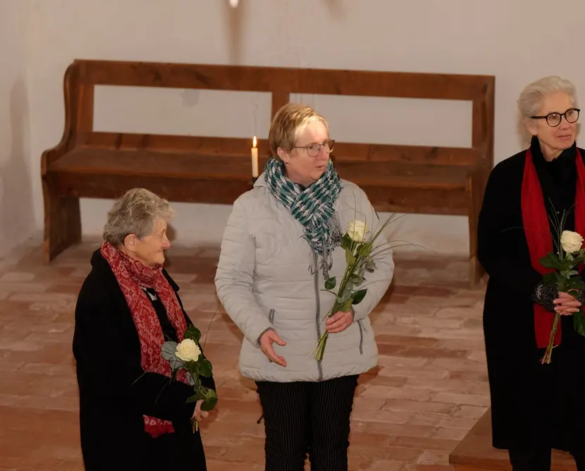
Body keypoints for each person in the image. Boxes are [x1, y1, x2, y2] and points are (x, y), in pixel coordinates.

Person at [215, 103, 394, 470]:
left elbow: (381, 263)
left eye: (327, 144)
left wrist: (354, 308)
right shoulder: (251, 207)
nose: (323, 154)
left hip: (340, 346)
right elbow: (231, 280)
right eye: (311, 147)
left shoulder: (351, 197)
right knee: (285, 451)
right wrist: (258, 328)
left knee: (331, 450)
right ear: (283, 153)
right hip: (280, 348)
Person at [477, 76, 585, 471]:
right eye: (552, 116)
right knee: (529, 431)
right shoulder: (506, 177)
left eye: (569, 113)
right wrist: (540, 291)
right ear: (530, 125)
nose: (565, 123)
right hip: (520, 320)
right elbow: (490, 250)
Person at [73, 188, 215, 471]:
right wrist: (185, 401)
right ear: (131, 241)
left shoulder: (153, 276)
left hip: (172, 424)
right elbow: (117, 379)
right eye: (160, 235)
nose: (167, 244)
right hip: (127, 440)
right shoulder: (99, 296)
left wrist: (204, 385)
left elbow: (185, 334)